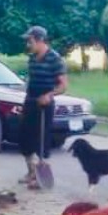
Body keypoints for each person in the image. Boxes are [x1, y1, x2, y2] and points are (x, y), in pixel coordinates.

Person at [18, 26, 68, 188]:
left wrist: (49, 95)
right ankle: (31, 172)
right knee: (25, 138)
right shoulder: (32, 58)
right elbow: (30, 81)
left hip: (45, 105)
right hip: (30, 101)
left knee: (41, 141)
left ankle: (39, 174)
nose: (28, 44)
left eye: (30, 41)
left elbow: (63, 86)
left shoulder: (55, 59)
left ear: (40, 40)